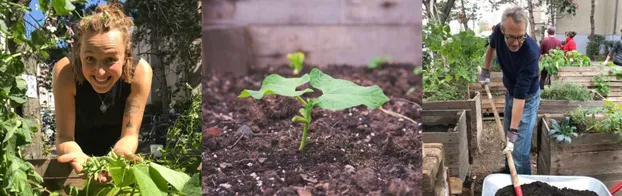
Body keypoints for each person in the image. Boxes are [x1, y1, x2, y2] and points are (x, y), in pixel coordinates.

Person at [52, 3, 153, 182]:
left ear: (126, 56)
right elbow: (64, 137)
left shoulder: (140, 73)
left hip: (121, 159)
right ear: (79, 54)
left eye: (110, 59)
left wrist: (119, 155)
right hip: (77, 164)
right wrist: (78, 156)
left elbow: (129, 135)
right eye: (90, 59)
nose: (100, 72)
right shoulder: (65, 72)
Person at [478, 6, 541, 175]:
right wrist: (486, 71)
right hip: (511, 91)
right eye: (511, 37)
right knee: (507, 141)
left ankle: (524, 185)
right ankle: (509, 173)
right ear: (502, 29)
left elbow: (521, 98)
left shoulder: (531, 52)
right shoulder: (498, 33)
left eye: (521, 37)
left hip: (526, 99)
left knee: (518, 148)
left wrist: (514, 131)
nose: (515, 43)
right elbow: (491, 48)